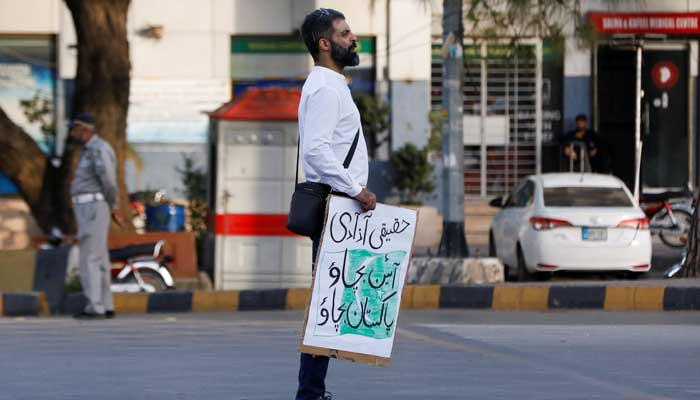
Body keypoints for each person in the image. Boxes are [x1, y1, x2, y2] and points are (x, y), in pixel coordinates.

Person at [296, 8, 377, 400]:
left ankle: (313, 390)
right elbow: (316, 151)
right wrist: (356, 189)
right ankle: (310, 393)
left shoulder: (329, 85)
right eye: (345, 34)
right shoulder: (327, 88)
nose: (353, 39)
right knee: (325, 303)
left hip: (339, 205)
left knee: (328, 301)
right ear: (325, 43)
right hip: (337, 205)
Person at [69, 113, 123, 320]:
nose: (74, 134)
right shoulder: (89, 151)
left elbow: (109, 180)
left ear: (85, 130)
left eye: (76, 129)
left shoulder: (99, 149)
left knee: (90, 255)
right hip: (89, 206)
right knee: (99, 257)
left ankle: (95, 305)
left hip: (94, 205)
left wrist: (113, 205)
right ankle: (105, 304)